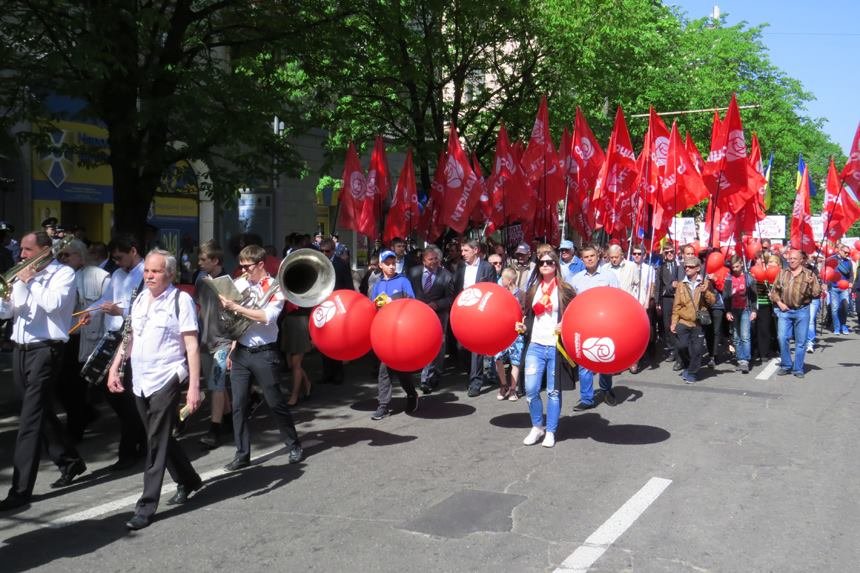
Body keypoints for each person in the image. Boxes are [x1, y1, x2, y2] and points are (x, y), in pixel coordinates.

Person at [107, 249, 203, 530]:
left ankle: (146, 506)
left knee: (155, 442)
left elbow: (192, 345)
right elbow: (129, 337)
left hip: (167, 376)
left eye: (156, 271)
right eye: (147, 270)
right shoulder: (139, 300)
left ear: (169, 274)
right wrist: (115, 367)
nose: (149, 276)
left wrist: (194, 387)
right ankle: (188, 479)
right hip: (141, 379)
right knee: (158, 435)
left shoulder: (180, 300)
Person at [0, 231, 86, 511]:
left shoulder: (63, 275)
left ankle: (20, 490)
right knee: (38, 411)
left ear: (44, 250)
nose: (21, 255)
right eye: (21, 250)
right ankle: (70, 461)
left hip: (46, 350)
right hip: (20, 350)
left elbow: (53, 305)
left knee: (29, 421)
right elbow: (9, 313)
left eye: (27, 250)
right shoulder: (23, 276)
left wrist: (30, 281)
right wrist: (6, 296)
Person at [219, 244, 303, 470]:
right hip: (241, 352)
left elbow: (267, 317)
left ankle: (293, 443)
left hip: (265, 352)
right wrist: (231, 346)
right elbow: (236, 321)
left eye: (247, 267)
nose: (244, 271)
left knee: (275, 402)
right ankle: (242, 453)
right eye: (241, 266)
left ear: (260, 265)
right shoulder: (240, 283)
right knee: (238, 405)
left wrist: (236, 306)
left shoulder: (276, 288)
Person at [86, 233, 148, 470]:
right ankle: (137, 440)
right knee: (113, 393)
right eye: (115, 259)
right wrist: (90, 313)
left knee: (126, 396)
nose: (118, 262)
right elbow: (105, 299)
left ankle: (129, 451)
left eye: (120, 257)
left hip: (133, 339)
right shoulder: (118, 275)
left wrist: (119, 312)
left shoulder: (145, 273)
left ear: (133, 250)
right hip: (114, 338)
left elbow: (143, 309)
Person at [515, 250, 576, 448]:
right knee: (531, 390)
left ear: (556, 265)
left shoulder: (565, 289)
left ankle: (550, 430)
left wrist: (565, 324)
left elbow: (576, 314)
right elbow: (528, 316)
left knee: (553, 392)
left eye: (550, 262)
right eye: (542, 263)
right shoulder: (533, 289)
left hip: (556, 347)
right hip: (535, 345)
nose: (546, 265)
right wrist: (523, 327)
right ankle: (537, 426)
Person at [58, 239, 109, 440]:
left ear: (80, 255)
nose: (62, 259)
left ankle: (75, 429)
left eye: (67, 254)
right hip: (65, 337)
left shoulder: (98, 276)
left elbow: (106, 307)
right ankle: (84, 414)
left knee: (75, 387)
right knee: (62, 386)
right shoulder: (60, 277)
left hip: (85, 337)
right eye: (60, 255)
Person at [569, 245, 621, 410]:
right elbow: (570, 303)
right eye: (586, 257)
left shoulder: (609, 276)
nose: (590, 259)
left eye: (592, 256)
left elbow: (618, 299)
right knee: (585, 362)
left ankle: (606, 390)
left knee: (604, 358)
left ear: (598, 257)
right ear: (582, 259)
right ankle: (587, 399)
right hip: (584, 325)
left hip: (604, 324)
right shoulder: (576, 279)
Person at [369, 250, 419, 419]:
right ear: (381, 265)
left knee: (401, 368)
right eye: (387, 263)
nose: (391, 266)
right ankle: (383, 405)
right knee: (384, 369)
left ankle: (412, 394)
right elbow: (372, 308)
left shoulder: (403, 281)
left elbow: (412, 303)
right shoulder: (377, 285)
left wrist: (393, 303)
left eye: (393, 263)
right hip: (384, 333)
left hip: (401, 332)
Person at [195, 241, 234, 449]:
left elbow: (236, 314)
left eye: (203, 260)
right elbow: (200, 308)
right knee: (214, 387)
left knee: (217, 385)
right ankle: (228, 420)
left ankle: (214, 428)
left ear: (215, 261)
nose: (199, 263)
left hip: (222, 341)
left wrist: (233, 344)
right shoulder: (201, 281)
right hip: (205, 340)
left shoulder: (227, 283)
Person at [408, 245, 455, 395]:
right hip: (418, 315)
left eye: (436, 259)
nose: (434, 261)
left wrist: (437, 304)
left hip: (439, 316)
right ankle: (423, 372)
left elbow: (450, 298)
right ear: (423, 261)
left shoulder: (446, 276)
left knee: (437, 345)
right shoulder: (413, 272)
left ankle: (431, 377)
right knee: (420, 343)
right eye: (430, 259)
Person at [454, 239, 496, 397]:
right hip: (463, 311)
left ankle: (476, 382)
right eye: (462, 250)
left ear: (475, 250)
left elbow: (492, 290)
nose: (463, 254)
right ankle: (470, 373)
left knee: (476, 349)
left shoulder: (487, 268)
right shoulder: (460, 268)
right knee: (461, 347)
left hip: (479, 312)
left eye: (465, 250)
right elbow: (455, 287)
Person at [770, 249, 822, 378]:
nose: (791, 261)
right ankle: (786, 364)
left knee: (801, 342)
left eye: (793, 259)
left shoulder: (809, 274)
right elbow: (774, 292)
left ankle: (798, 368)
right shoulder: (782, 273)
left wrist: (812, 284)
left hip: (802, 311)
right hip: (785, 311)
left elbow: (816, 293)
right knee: (782, 338)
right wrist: (780, 303)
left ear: (801, 260)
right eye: (789, 258)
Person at [671, 256, 717, 384]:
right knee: (682, 346)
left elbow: (713, 301)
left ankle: (692, 372)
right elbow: (677, 305)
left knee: (697, 350)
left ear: (697, 268)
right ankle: (687, 365)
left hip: (698, 322)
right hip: (683, 321)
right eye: (685, 266)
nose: (687, 268)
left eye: (690, 266)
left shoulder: (705, 283)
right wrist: (674, 322)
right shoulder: (681, 285)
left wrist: (706, 291)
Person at [318, 238, 354, 385]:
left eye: (326, 251)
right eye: (321, 251)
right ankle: (327, 373)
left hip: (336, 305)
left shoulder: (341, 264)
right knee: (323, 340)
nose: (323, 254)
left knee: (335, 340)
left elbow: (348, 285)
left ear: (333, 250)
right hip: (322, 304)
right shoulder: (317, 262)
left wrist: (346, 304)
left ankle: (338, 373)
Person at [494, 267, 524, 401]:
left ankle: (513, 389)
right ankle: (503, 384)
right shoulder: (500, 294)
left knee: (515, 362)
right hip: (501, 333)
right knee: (498, 359)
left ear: (509, 280)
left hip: (516, 333)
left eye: (503, 278)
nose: (501, 280)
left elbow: (525, 313)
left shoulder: (521, 295)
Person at [723, 255, 757, 373]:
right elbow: (726, 297)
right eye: (733, 267)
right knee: (736, 336)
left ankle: (745, 360)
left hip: (745, 309)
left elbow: (753, 296)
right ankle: (740, 358)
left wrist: (754, 310)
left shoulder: (748, 278)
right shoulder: (729, 278)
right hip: (733, 309)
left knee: (745, 336)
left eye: (737, 266)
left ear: (741, 265)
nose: (735, 269)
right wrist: (727, 311)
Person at [656, 243, 681, 369]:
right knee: (667, 326)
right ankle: (671, 349)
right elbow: (660, 287)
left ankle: (679, 351)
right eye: (667, 252)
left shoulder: (679, 266)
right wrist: (657, 303)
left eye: (671, 251)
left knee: (677, 325)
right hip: (666, 300)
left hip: (679, 300)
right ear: (664, 255)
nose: (670, 254)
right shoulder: (660, 268)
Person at [828, 243, 853, 335]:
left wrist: (850, 283)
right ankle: (837, 328)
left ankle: (843, 325)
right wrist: (826, 284)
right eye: (845, 252)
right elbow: (827, 272)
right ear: (840, 251)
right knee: (835, 309)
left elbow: (851, 275)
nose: (847, 254)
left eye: (848, 253)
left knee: (845, 308)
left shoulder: (849, 262)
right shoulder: (831, 260)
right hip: (834, 288)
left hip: (844, 289)